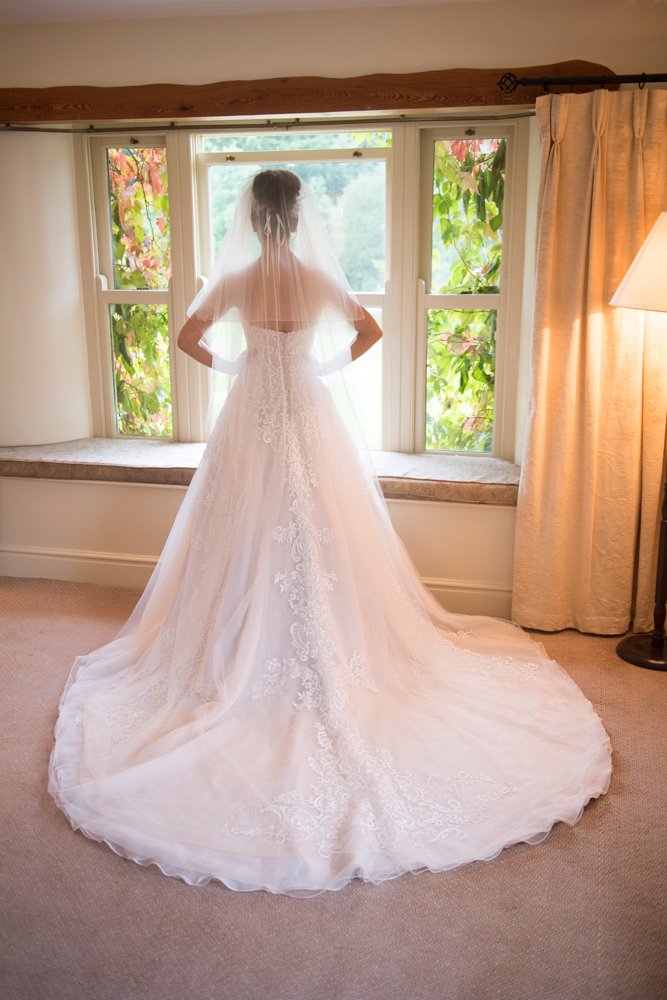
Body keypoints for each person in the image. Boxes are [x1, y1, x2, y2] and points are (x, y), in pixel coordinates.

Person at [49, 170, 611, 897]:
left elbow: (186, 336)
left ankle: (227, 642)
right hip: (307, 406)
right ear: (298, 216)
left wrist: (236, 362)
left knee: (241, 526)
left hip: (252, 405)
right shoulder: (315, 277)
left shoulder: (239, 278)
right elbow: (370, 330)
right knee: (322, 525)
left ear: (253, 219)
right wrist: (314, 364)